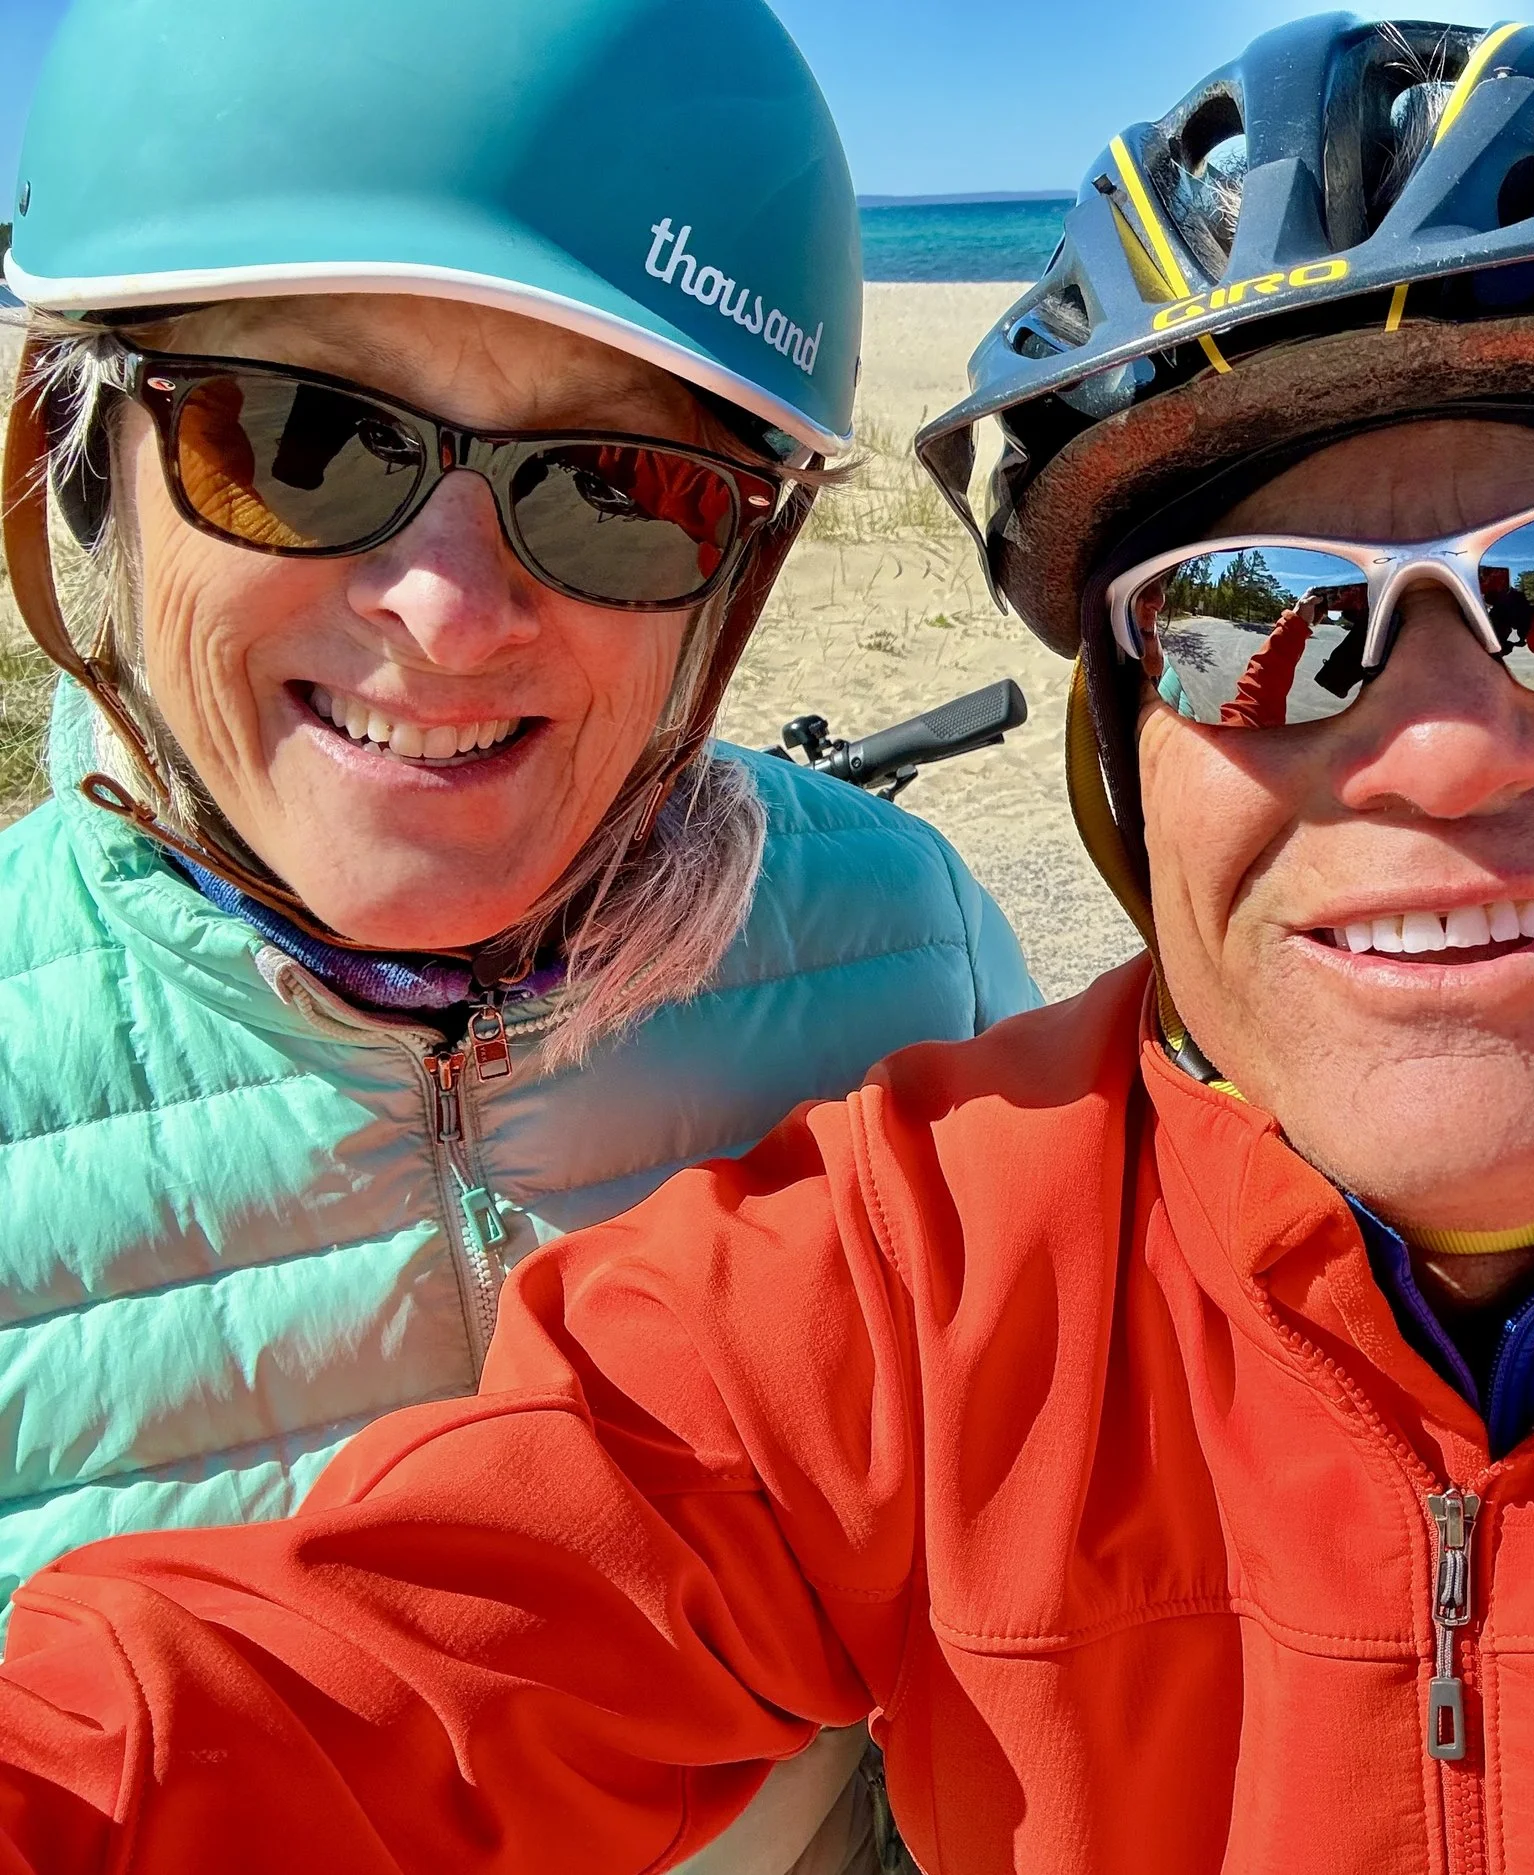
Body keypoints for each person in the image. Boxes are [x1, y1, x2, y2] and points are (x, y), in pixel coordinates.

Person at [0, 17, 1534, 1872]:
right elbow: (338, 1675)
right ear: (1124, 773)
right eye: (1256, 623)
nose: (1439, 753)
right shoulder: (911, 1277)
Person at [0, 1, 1033, 1868]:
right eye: (302, 438)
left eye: (617, 486)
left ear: (736, 569)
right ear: (80, 463)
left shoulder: (917, 965)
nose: (453, 609)